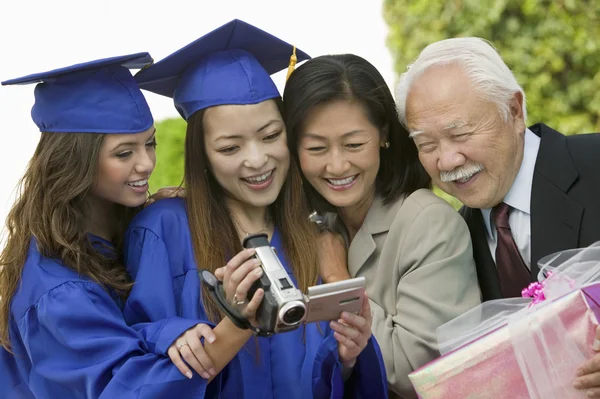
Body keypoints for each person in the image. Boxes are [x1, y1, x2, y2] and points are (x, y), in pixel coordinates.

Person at [123, 19, 388, 398]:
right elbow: (135, 357)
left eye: (271, 136)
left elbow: (330, 378)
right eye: (230, 148)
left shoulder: (311, 234)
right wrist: (171, 334)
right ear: (203, 156)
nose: (257, 160)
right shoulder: (162, 231)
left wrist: (349, 359)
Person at [0, 53, 220, 398]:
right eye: (123, 153)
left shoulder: (121, 231)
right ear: (76, 162)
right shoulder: (58, 288)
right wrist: (238, 327)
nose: (146, 163)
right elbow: (129, 387)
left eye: (150, 143)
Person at [394, 36, 600, 397]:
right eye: (426, 146)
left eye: (460, 134)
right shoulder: (452, 239)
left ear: (515, 111)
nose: (447, 161)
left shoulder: (594, 165)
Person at [282, 53, 481, 398]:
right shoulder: (301, 223)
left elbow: (420, 372)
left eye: (354, 144)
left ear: (384, 134)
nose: (337, 165)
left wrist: (338, 280)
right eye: (316, 148)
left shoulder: (428, 225)